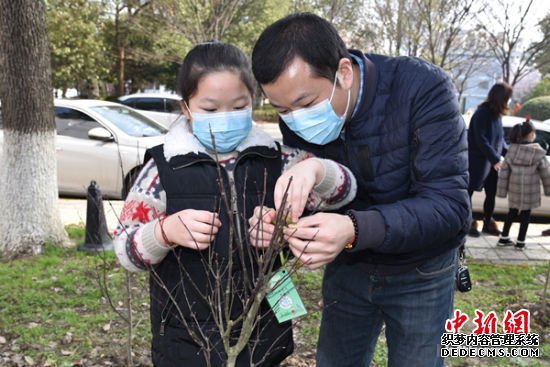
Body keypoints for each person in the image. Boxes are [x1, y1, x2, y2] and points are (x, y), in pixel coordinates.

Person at [113, 42, 357, 367]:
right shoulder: (162, 169)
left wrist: (313, 176)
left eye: (238, 106)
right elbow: (125, 251)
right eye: (211, 110)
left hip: (264, 331)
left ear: (252, 102)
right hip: (186, 338)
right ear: (186, 108)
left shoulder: (280, 160)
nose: (225, 118)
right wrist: (164, 232)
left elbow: (344, 191)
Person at [249, 13, 470, 367]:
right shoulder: (295, 117)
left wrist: (353, 229)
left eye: (306, 105)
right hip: (349, 268)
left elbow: (449, 207)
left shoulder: (421, 87)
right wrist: (279, 220)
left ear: (344, 73)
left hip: (421, 270)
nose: (296, 120)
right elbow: (314, 189)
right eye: (282, 110)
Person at [467, 82, 512, 237]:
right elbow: (481, 139)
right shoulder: (482, 113)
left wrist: (509, 154)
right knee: (469, 193)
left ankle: (488, 223)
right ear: (501, 98)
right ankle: (467, 223)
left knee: (491, 194)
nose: (509, 101)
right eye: (508, 98)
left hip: (491, 163)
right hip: (477, 162)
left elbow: (500, 141)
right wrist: (495, 158)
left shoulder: (496, 115)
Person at [496, 120, 550, 249]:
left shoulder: (512, 150)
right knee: (526, 214)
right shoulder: (538, 152)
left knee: (512, 212)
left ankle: (503, 238)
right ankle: (520, 242)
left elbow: (504, 172)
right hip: (530, 189)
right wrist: (548, 190)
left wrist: (502, 191)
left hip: (514, 188)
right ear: (531, 134)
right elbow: (545, 173)